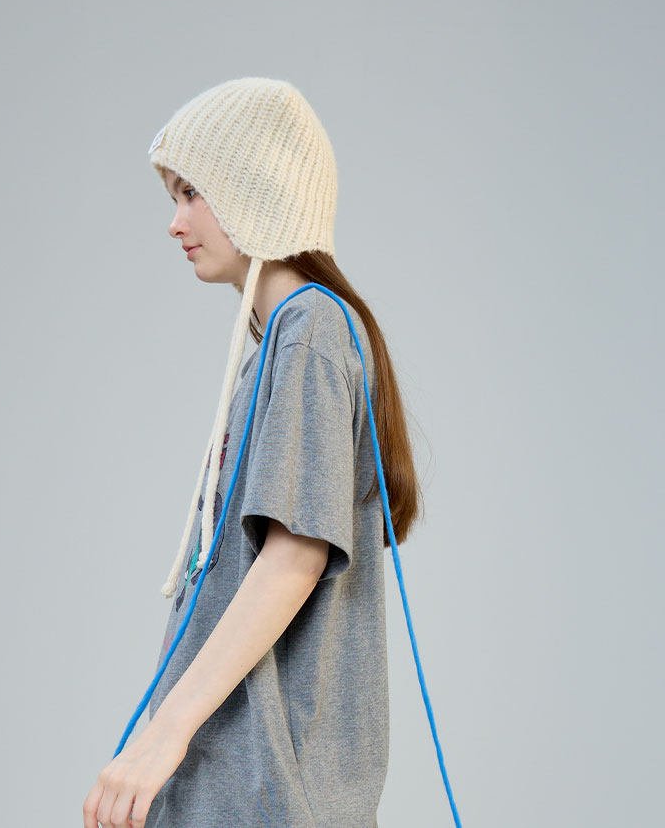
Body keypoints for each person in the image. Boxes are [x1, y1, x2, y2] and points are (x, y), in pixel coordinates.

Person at [83, 77, 422, 828]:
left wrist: (161, 738)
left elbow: (294, 555)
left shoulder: (310, 332)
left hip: (268, 792)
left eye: (191, 192)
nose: (175, 222)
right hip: (238, 784)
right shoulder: (276, 345)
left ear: (255, 190)